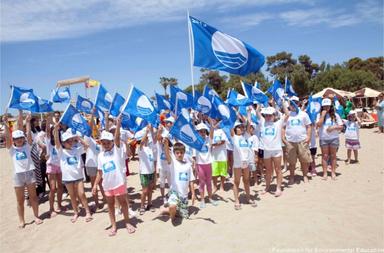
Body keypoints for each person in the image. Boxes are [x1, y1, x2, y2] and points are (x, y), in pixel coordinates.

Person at [93, 115, 136, 236]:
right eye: (103, 142)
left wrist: (118, 124)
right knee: (110, 206)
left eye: (108, 142)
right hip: (107, 185)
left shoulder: (117, 150)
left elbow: (117, 137)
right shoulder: (101, 155)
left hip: (119, 183)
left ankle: (127, 222)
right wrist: (95, 185)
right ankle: (113, 225)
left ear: (112, 142)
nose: (106, 144)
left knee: (123, 203)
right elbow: (100, 172)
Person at [3, 112, 43, 228]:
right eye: (17, 138)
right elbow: (7, 137)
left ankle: (36, 216)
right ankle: (22, 220)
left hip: (30, 173)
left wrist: (28, 121)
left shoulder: (27, 146)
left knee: (33, 197)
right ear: (14, 140)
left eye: (21, 138)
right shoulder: (12, 149)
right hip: (18, 176)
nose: (19, 140)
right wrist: (5, 124)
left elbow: (29, 137)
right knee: (20, 200)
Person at [53, 125, 93, 223]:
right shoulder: (61, 152)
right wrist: (55, 130)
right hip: (68, 178)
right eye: (68, 141)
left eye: (71, 140)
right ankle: (76, 212)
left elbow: (87, 146)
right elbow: (57, 143)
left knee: (82, 194)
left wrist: (77, 137)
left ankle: (87, 212)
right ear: (63, 142)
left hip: (78, 176)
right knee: (72, 196)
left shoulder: (77, 149)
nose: (70, 142)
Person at [160, 140, 196, 221]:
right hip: (174, 192)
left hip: (184, 195)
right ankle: (172, 217)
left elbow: (191, 180)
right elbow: (167, 154)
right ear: (174, 153)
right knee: (172, 206)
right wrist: (166, 144)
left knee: (184, 216)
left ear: (184, 153)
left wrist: (193, 194)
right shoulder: (173, 162)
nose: (179, 154)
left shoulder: (188, 166)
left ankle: (166, 210)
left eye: (181, 152)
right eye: (177, 153)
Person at [256, 104, 287, 197]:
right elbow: (257, 112)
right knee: (268, 170)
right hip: (266, 151)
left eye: (270, 115)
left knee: (278, 169)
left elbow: (287, 114)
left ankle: (278, 188)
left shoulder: (278, 123)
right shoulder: (262, 122)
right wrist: (258, 104)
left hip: (276, 150)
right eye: (267, 115)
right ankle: (267, 187)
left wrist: (283, 102)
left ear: (274, 116)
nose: (268, 117)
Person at [282, 97, 312, 184]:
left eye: (295, 102)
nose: (293, 105)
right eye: (291, 103)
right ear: (289, 105)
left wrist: (309, 137)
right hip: (290, 142)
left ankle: (305, 176)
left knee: (304, 160)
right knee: (292, 161)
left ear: (298, 103)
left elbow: (309, 126)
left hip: (302, 140)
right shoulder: (287, 115)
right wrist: (283, 138)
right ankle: (291, 177)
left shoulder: (303, 114)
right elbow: (283, 127)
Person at [231, 120, 256, 209]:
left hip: (246, 162)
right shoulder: (234, 137)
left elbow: (249, 124)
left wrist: (249, 112)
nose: (241, 128)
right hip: (238, 163)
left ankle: (248, 198)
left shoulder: (246, 136)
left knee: (246, 180)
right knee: (237, 181)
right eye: (239, 127)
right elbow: (230, 126)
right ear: (235, 129)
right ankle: (236, 200)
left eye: (242, 127)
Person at [316, 98, 344, 180]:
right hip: (323, 138)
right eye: (324, 107)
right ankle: (325, 173)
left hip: (334, 138)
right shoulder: (319, 115)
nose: (326, 108)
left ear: (331, 106)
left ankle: (333, 173)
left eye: (328, 106)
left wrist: (334, 127)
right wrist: (323, 115)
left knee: (333, 156)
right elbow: (319, 125)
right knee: (324, 156)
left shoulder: (336, 115)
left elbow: (341, 127)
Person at [193, 122, 217, 209]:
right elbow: (194, 156)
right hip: (200, 165)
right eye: (200, 131)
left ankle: (210, 198)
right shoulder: (195, 142)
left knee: (209, 182)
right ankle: (202, 200)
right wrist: (195, 166)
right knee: (201, 183)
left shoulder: (208, 140)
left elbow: (211, 135)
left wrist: (212, 128)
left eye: (204, 131)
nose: (202, 133)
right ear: (198, 132)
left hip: (208, 164)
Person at [45, 113, 64, 217]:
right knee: (52, 188)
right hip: (51, 165)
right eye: (53, 130)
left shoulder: (60, 142)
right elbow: (48, 129)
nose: (54, 131)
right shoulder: (48, 140)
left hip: (60, 166)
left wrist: (57, 128)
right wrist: (48, 117)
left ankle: (59, 205)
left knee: (60, 186)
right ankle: (51, 208)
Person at [137, 125, 156, 215]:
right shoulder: (140, 149)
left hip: (151, 172)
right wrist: (146, 132)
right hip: (144, 173)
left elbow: (154, 141)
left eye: (147, 139)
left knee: (150, 189)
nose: (146, 140)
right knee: (144, 191)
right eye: (145, 139)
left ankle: (150, 204)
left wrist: (152, 131)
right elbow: (141, 143)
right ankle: (141, 206)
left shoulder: (150, 148)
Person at [211, 118, 228, 192]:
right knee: (214, 173)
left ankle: (222, 186)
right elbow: (209, 141)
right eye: (212, 121)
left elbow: (223, 141)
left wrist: (214, 144)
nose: (213, 122)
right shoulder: (211, 132)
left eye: (214, 120)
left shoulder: (222, 131)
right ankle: (214, 186)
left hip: (222, 155)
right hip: (214, 156)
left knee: (223, 172)